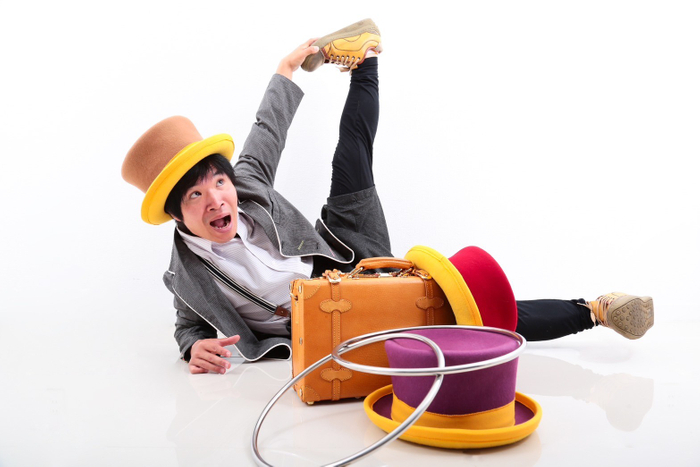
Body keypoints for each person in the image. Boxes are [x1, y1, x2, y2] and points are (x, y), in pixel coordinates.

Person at [122, 19, 654, 375]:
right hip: (330, 323)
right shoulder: (184, 272)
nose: (216, 199)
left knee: (352, 159)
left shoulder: (248, 183)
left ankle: (366, 60)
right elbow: (189, 325)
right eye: (195, 195)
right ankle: (595, 310)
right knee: (460, 311)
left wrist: (285, 70)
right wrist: (193, 347)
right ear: (178, 215)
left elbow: (269, 127)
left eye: (218, 182)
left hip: (348, 256)